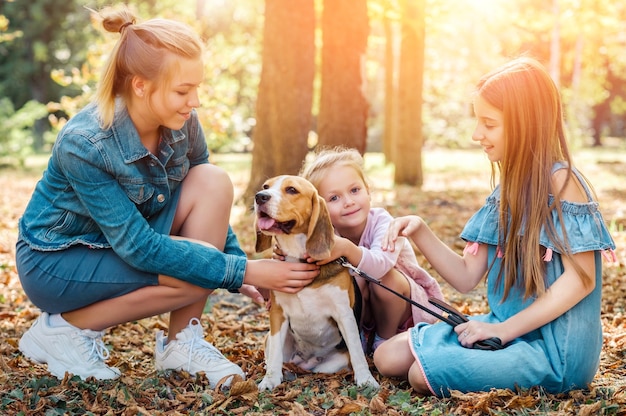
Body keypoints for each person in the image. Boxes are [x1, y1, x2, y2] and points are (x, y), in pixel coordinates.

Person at [15, 6, 319, 387]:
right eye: (183, 90)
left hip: (124, 243)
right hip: (57, 261)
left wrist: (236, 262)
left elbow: (210, 201)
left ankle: (182, 342)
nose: (195, 101)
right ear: (141, 85)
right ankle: (63, 330)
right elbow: (139, 248)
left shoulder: (182, 122)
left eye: (197, 88)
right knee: (198, 272)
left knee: (212, 180)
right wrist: (244, 271)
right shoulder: (84, 143)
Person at [375, 57, 616, 396]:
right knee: (386, 356)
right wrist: (419, 230)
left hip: (553, 353)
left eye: (489, 123)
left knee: (419, 375)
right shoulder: (506, 192)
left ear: (525, 125)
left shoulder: (561, 182)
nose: (477, 135)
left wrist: (503, 331)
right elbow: (465, 276)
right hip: (504, 330)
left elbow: (581, 281)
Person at [296, 147, 444, 353]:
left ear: (368, 191)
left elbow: (378, 267)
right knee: (347, 281)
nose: (349, 202)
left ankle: (383, 340)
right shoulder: (325, 233)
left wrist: (347, 248)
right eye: (334, 198)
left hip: (403, 307)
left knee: (383, 278)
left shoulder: (385, 223)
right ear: (318, 208)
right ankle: (357, 338)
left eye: (354, 190)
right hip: (362, 312)